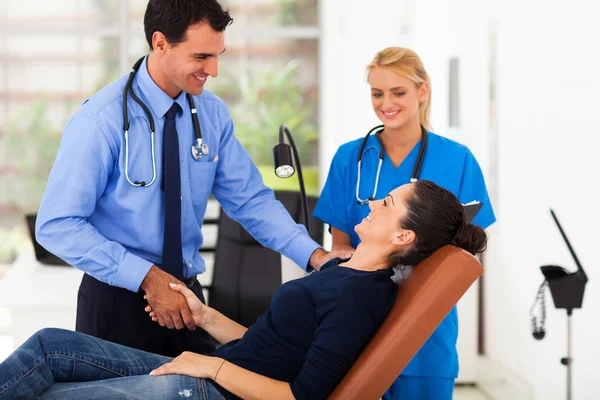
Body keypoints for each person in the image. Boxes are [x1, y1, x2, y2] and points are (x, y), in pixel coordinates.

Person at [34, 0, 342, 358]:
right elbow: (57, 225)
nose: (213, 69)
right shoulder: (100, 120)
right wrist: (148, 277)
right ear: (161, 43)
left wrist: (317, 256)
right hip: (117, 304)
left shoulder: (211, 114)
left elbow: (250, 201)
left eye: (217, 55)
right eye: (201, 57)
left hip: (189, 302)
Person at [1, 180, 487, 400]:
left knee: (47, 393)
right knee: (48, 345)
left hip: (209, 389)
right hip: (214, 373)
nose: (372, 203)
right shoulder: (343, 271)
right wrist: (204, 316)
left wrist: (210, 363)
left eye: (387, 203)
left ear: (403, 237)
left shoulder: (361, 297)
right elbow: (276, 342)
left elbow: (302, 396)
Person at [313, 47, 497, 399]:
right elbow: (340, 247)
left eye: (398, 92)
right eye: (377, 93)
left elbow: (465, 256)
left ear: (422, 91)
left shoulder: (457, 160)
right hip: (357, 320)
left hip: (426, 328)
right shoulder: (350, 157)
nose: (386, 103)